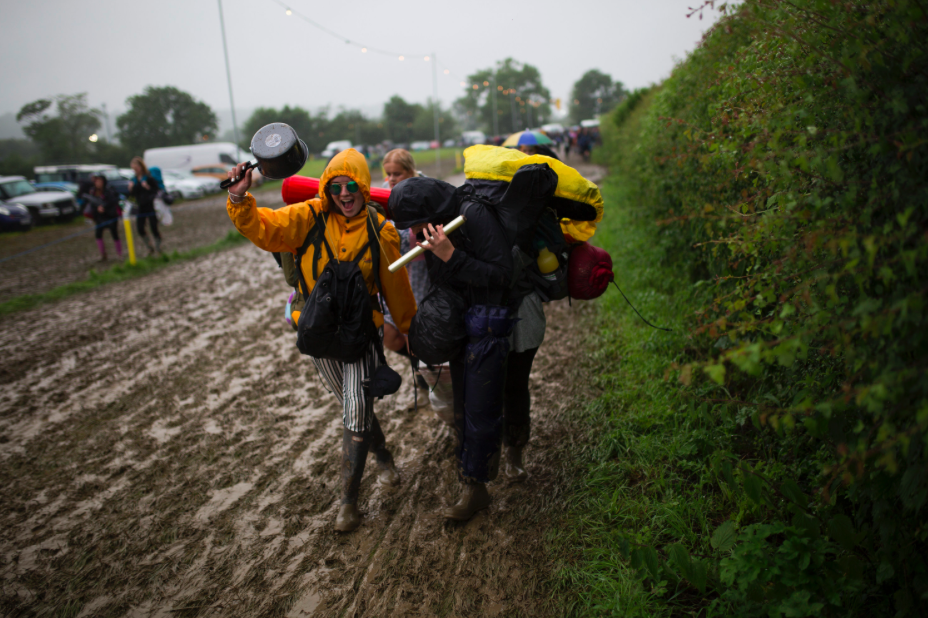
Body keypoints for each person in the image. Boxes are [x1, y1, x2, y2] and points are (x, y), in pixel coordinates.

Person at [224, 149, 417, 533]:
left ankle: (348, 502)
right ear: (326, 190)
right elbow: (264, 228)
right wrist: (238, 198)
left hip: (362, 336)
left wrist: (413, 329)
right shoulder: (307, 217)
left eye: (352, 187)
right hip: (318, 336)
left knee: (356, 407)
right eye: (335, 187)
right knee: (354, 407)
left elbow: (396, 288)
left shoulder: (382, 230)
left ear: (364, 187)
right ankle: (382, 455)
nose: (344, 194)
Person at [390, 178, 514, 521]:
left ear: (432, 211)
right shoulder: (435, 226)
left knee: (484, 406)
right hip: (461, 323)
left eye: (416, 225)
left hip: (489, 321)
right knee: (464, 406)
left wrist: (450, 255)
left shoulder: (474, 215)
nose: (414, 233)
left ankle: (513, 455)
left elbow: (503, 275)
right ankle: (474, 485)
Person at [81, 172, 122, 262]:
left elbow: (114, 201)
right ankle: (103, 255)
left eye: (99, 180)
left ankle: (119, 254)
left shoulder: (109, 190)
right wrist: (97, 208)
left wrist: (104, 207)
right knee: (98, 235)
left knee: (115, 234)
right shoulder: (93, 192)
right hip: (99, 217)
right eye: (96, 181)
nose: (97, 183)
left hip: (111, 216)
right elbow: (91, 203)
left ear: (103, 181)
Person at [128, 157, 162, 255]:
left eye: (136, 167)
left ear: (141, 166)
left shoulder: (148, 178)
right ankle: (149, 247)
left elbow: (156, 190)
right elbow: (132, 195)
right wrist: (130, 189)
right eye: (133, 168)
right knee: (140, 228)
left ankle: (158, 247)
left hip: (150, 205)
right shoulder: (133, 180)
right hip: (140, 206)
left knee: (154, 227)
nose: (135, 170)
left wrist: (147, 187)